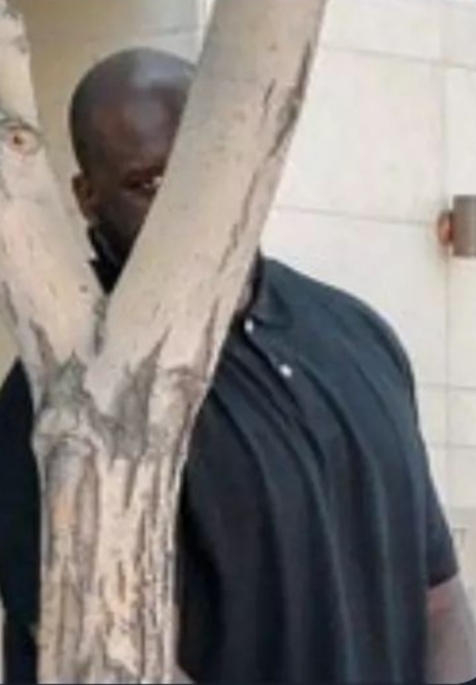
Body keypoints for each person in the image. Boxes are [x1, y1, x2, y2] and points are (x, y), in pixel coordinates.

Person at [0, 48, 475, 684]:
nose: (190, 209)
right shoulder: (65, 392)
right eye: (149, 185)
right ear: (88, 199)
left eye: (207, 173)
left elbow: (439, 603)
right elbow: (104, 662)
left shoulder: (359, 336)